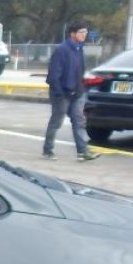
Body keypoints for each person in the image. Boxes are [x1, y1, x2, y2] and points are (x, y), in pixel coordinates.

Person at [44, 23, 98, 161]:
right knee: (57, 121)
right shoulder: (62, 50)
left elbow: (80, 71)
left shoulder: (79, 49)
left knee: (79, 121)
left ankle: (82, 151)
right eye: (81, 32)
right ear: (72, 34)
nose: (84, 35)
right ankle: (48, 150)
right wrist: (59, 92)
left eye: (85, 32)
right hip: (62, 93)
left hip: (78, 92)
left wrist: (81, 87)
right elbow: (53, 75)